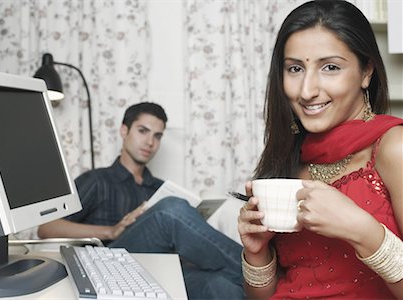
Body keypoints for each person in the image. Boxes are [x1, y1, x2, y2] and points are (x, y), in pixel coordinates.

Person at [237, 1, 403, 299]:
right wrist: (257, 252)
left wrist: (362, 230)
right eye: (295, 68)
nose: (306, 90)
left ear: (367, 71)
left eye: (330, 67)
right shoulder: (293, 159)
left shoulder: (393, 148)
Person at [38, 102, 245, 299]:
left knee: (220, 283)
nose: (150, 142)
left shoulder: (158, 187)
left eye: (157, 136)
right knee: (170, 211)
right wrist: (110, 231)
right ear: (124, 131)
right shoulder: (97, 180)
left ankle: (257, 283)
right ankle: (262, 275)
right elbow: (47, 227)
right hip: (110, 267)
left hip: (159, 272)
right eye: (143, 131)